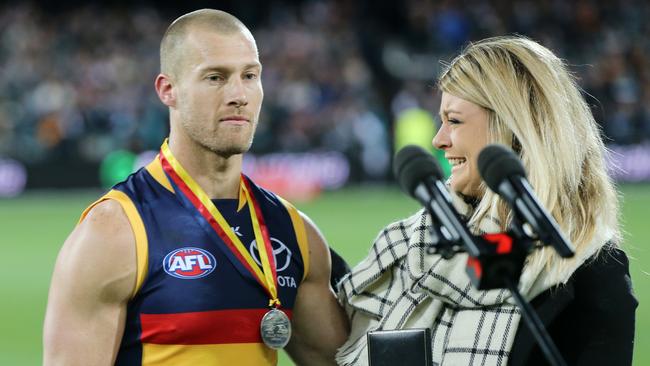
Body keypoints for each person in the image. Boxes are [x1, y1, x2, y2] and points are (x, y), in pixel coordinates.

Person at [43, 9, 349, 366]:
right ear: (168, 90)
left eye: (250, 76)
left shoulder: (294, 233)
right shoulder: (114, 231)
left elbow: (343, 360)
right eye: (216, 77)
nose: (239, 95)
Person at [336, 36, 637, 366]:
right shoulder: (408, 243)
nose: (438, 140)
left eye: (454, 121)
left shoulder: (590, 275)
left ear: (513, 127)